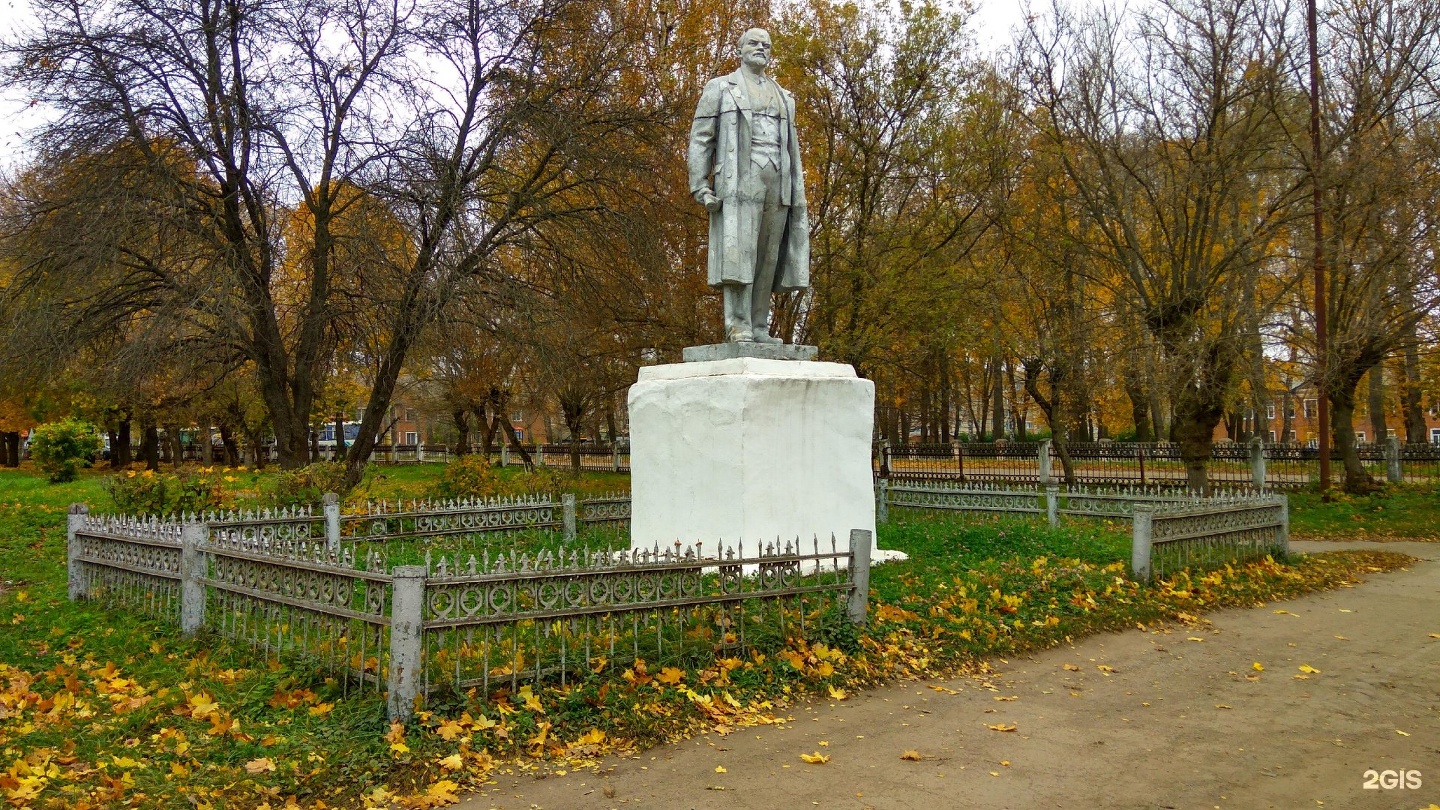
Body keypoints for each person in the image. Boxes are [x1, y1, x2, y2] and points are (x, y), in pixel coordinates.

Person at [687, 27, 810, 344]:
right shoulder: (720, 88)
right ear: (739, 50)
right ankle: (738, 325)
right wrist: (700, 186)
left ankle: (758, 326)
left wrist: (796, 190)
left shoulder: (784, 96)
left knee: (768, 255)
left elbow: (791, 148)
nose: (761, 48)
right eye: (754, 43)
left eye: (766, 45)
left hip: (778, 181)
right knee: (740, 254)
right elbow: (701, 138)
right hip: (739, 178)